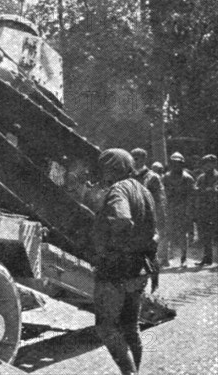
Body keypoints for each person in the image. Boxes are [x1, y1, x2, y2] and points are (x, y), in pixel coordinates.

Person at [93, 149, 158, 375]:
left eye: (105, 169)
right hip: (139, 268)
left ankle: (129, 373)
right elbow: (154, 232)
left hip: (116, 269)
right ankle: (136, 372)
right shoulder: (144, 190)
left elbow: (122, 220)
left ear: (114, 169)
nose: (103, 175)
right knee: (131, 327)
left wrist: (107, 248)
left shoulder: (118, 189)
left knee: (105, 327)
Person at [131, 148, 168, 266]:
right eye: (133, 159)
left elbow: (159, 198)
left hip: (149, 214)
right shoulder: (129, 175)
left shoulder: (152, 177)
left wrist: (157, 215)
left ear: (144, 159)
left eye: (137, 159)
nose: (135, 162)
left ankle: (154, 262)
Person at [163, 152, 195, 267]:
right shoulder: (166, 177)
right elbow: (163, 194)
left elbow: (191, 197)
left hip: (183, 209)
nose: (176, 165)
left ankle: (183, 258)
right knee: (168, 233)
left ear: (182, 164)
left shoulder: (187, 178)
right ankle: (167, 257)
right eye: (174, 163)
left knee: (182, 234)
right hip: (170, 208)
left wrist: (189, 211)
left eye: (179, 163)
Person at [193, 154, 218, 266]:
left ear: (214, 164)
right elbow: (195, 189)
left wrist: (205, 190)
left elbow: (215, 190)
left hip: (215, 209)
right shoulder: (201, 177)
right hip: (203, 210)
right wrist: (207, 190)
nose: (206, 166)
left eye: (209, 163)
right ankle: (207, 258)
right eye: (205, 164)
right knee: (204, 235)